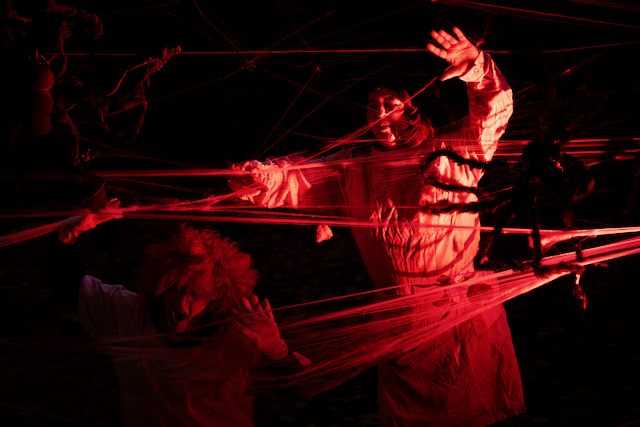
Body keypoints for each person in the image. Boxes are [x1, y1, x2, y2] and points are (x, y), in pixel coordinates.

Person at [231, 27, 525, 426]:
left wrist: (477, 67)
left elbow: (493, 114)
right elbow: (297, 181)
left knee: (475, 409)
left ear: (415, 105)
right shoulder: (355, 167)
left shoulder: (452, 155)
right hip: (401, 326)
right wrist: (258, 178)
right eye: (372, 106)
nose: (381, 114)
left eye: (392, 103)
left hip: (461, 319)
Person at [45, 200, 296, 427]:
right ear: (161, 285)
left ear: (213, 299)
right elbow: (66, 285)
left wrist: (276, 351)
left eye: (196, 295)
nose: (182, 303)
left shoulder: (241, 337)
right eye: (176, 289)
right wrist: (69, 236)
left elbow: (294, 392)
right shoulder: (130, 315)